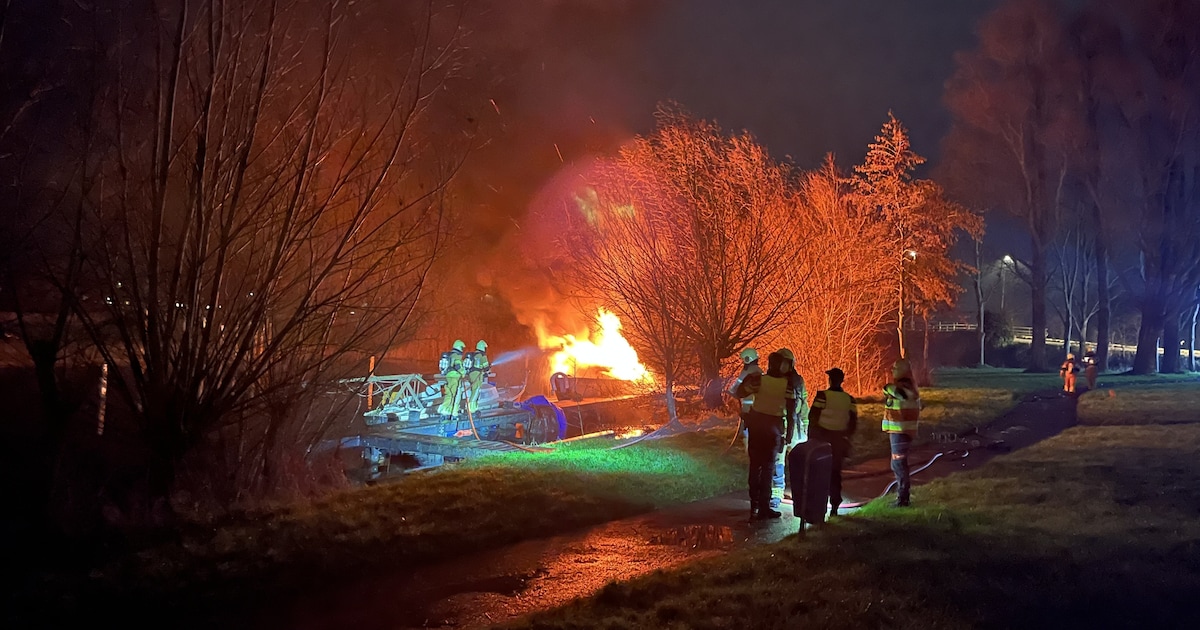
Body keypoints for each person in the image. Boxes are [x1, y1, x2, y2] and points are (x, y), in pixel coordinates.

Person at [736, 351, 788, 520]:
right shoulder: (786, 384)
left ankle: (754, 504)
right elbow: (793, 408)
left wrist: (748, 378)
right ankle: (765, 507)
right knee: (768, 468)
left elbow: (740, 392)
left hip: (757, 427)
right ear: (781, 366)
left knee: (755, 465)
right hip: (774, 429)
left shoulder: (760, 380)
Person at [808, 367, 858, 516]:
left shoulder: (822, 396)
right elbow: (853, 422)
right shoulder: (849, 399)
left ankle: (819, 507)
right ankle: (835, 506)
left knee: (820, 473)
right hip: (839, 440)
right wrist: (847, 437)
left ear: (830, 380)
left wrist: (811, 438)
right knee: (835, 474)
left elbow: (813, 417)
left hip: (822, 439)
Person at [882, 358, 921, 507]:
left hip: (901, 431)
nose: (892, 370)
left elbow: (902, 395)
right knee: (897, 464)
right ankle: (902, 497)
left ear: (904, 370)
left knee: (899, 464)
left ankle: (903, 499)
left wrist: (887, 387)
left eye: (895, 368)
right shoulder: (904, 386)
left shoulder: (906, 387)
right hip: (898, 431)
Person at [774, 347, 808, 510]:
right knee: (777, 460)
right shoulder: (774, 381)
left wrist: (806, 423)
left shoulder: (798, 381)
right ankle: (777, 491)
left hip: (796, 429)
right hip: (780, 426)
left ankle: (800, 490)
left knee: (799, 461)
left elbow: (803, 402)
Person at [727, 348, 762, 451]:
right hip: (759, 404)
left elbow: (737, 384)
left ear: (747, 359)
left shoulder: (746, 371)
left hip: (747, 404)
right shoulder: (760, 371)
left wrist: (730, 391)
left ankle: (749, 449)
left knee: (747, 424)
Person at [437, 339, 466, 416]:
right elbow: (458, 366)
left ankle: (446, 409)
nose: (462, 350)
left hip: (449, 376)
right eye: (462, 348)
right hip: (455, 377)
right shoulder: (457, 356)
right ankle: (447, 409)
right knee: (454, 394)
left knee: (449, 393)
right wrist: (463, 372)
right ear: (459, 347)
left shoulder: (450, 355)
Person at [466, 340, 491, 413]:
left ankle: (474, 407)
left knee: (474, 390)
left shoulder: (474, 355)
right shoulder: (482, 356)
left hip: (471, 374)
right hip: (477, 375)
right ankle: (471, 408)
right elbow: (486, 367)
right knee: (476, 390)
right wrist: (489, 368)